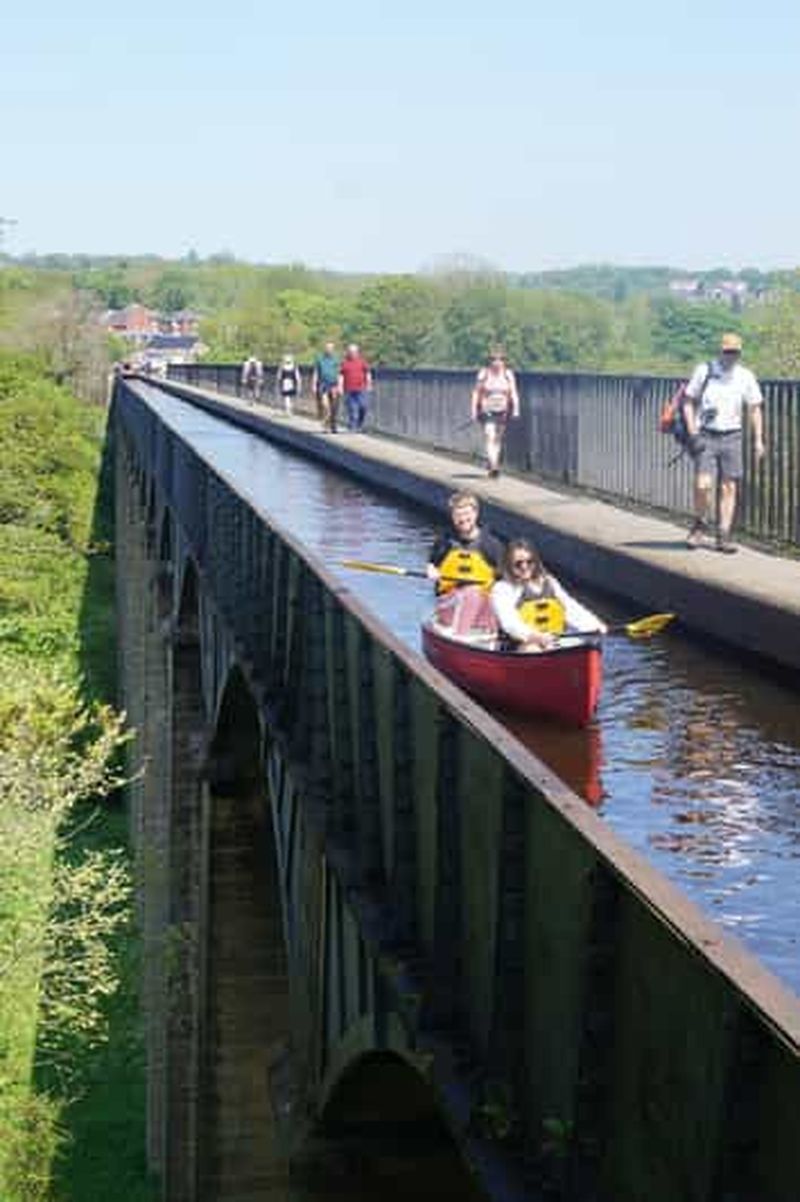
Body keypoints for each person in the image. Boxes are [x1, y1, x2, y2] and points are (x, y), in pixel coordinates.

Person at [683, 332, 765, 554]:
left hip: (733, 436)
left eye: (735, 352)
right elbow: (688, 401)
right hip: (706, 434)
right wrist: (692, 431)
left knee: (729, 487)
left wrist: (758, 440)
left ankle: (723, 535)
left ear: (740, 353)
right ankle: (700, 524)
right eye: (728, 351)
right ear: (720, 351)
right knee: (703, 484)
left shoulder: (745, 376)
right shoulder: (705, 370)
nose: (731, 356)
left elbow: (755, 407)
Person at [491, 539, 606, 652]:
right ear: (508, 565)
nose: (524, 567)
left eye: (529, 561)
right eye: (518, 563)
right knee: (532, 649)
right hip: (519, 645)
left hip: (552, 641)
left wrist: (594, 626)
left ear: (536, 561)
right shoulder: (502, 589)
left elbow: (570, 607)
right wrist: (533, 636)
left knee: (587, 646)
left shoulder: (549, 581)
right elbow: (509, 622)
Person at [427, 491, 504, 595]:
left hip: (482, 600)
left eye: (467, 514)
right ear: (452, 516)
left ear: (476, 514)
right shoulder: (444, 542)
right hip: (449, 598)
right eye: (458, 515)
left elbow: (505, 577)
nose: (463, 519)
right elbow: (432, 562)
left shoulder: (492, 545)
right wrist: (432, 570)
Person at [471, 347, 520, 478]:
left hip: (503, 410)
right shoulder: (484, 373)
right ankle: (494, 465)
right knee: (489, 435)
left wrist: (516, 409)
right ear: (490, 361)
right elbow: (476, 392)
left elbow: (514, 392)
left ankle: (493, 462)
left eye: (500, 360)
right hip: (487, 409)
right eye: (494, 360)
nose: (497, 362)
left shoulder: (508, 374)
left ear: (504, 362)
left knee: (498, 439)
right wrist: (474, 410)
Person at [339, 344, 372, 431]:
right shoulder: (345, 363)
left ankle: (360, 423)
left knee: (363, 406)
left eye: (354, 352)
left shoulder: (362, 362)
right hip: (349, 389)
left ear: (357, 352)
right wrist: (340, 387)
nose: (352, 353)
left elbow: (368, 373)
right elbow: (341, 375)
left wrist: (369, 384)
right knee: (352, 408)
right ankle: (353, 426)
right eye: (350, 352)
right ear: (348, 353)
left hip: (361, 388)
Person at [311, 341, 341, 432]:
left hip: (333, 384)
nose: (329, 349)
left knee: (334, 406)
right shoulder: (320, 359)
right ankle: (325, 424)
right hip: (323, 384)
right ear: (325, 349)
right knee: (325, 405)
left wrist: (340, 385)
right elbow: (316, 372)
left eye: (331, 348)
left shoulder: (336, 359)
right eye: (328, 348)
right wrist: (313, 385)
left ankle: (332, 424)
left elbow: (339, 373)